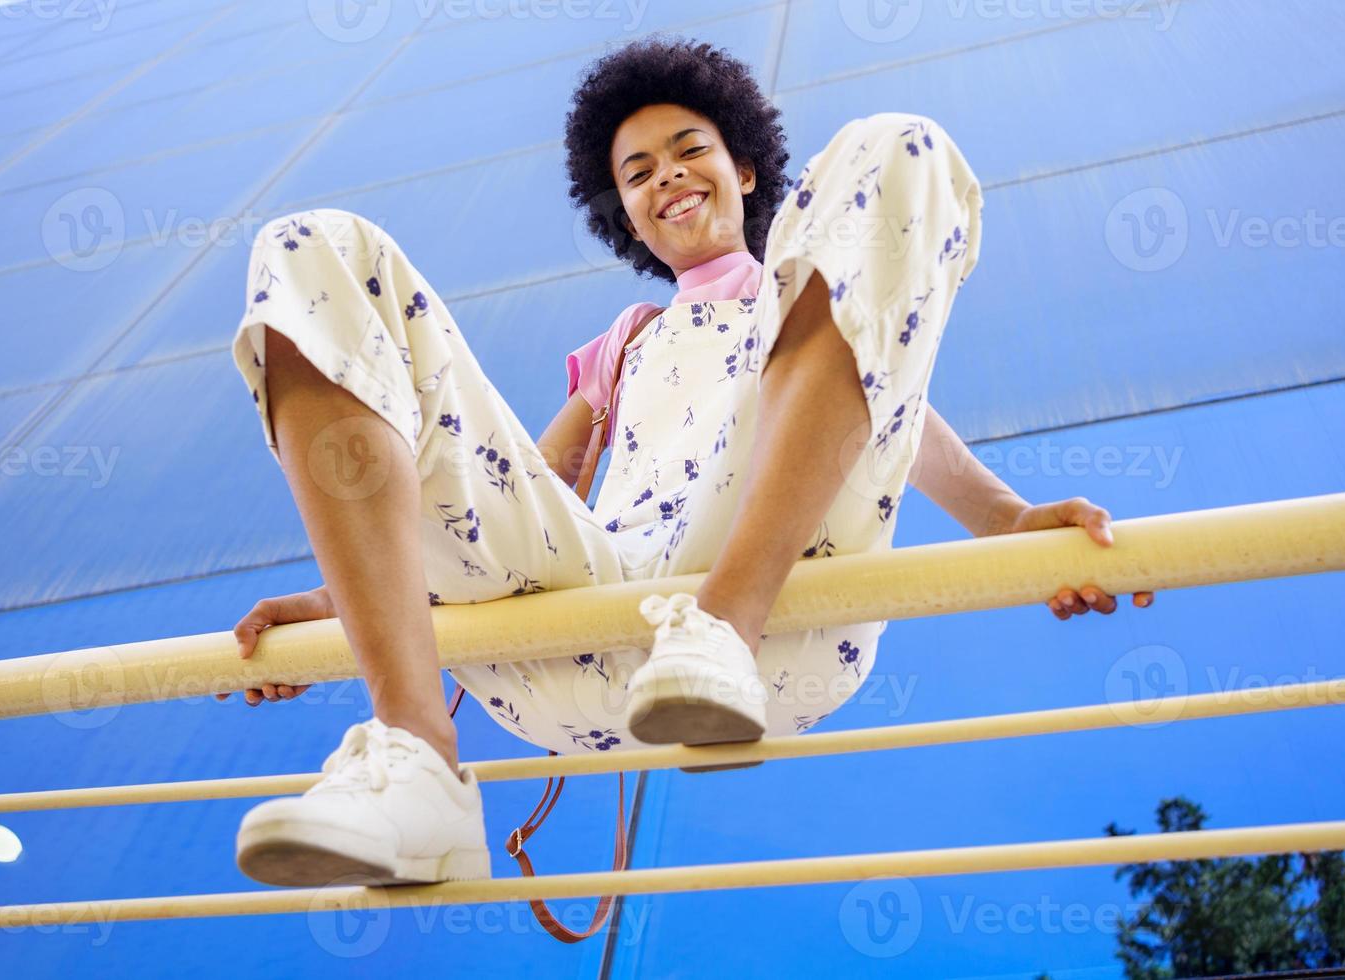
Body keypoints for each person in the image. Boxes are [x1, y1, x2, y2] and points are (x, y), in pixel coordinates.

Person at [219, 37, 1153, 889]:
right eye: (637, 171)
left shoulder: (802, 302)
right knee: (312, 248)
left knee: (900, 143)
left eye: (688, 148)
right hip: (579, 635)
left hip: (774, 611)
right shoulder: (625, 343)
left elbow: (898, 420)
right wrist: (339, 606)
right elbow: (506, 498)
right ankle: (417, 757)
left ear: (744, 167)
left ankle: (723, 631)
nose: (666, 175)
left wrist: (1006, 523)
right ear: (622, 209)